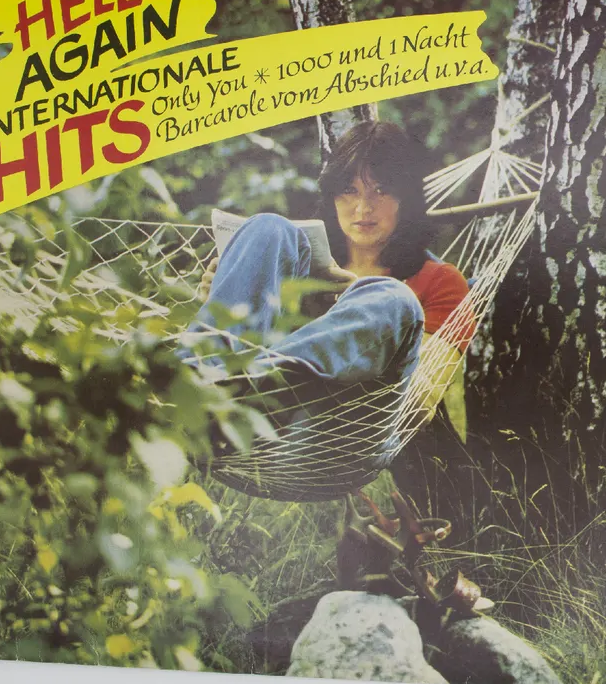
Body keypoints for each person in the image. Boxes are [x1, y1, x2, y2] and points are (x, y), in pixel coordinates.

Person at [179, 122, 474, 465]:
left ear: (406, 199)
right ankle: (190, 387)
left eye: (381, 190)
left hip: (340, 434)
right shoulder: (302, 261)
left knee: (394, 300)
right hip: (244, 423)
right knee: (268, 226)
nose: (363, 208)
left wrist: (358, 311)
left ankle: (242, 399)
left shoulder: (440, 281)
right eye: (349, 190)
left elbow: (418, 403)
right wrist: (219, 295)